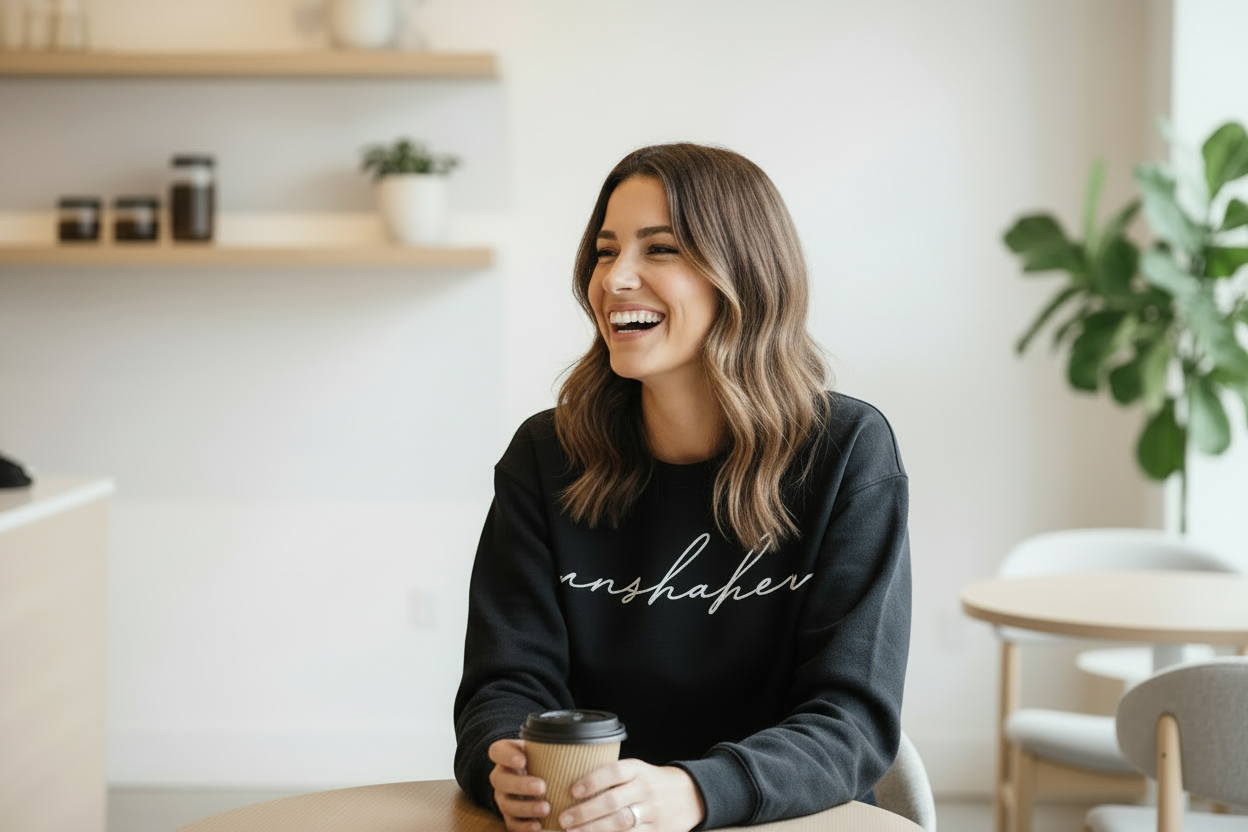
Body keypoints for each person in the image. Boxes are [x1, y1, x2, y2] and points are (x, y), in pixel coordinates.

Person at [453, 143, 911, 832]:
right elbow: (505, 680)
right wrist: (504, 762)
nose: (615, 279)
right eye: (606, 252)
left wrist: (693, 792)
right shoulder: (545, 456)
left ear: (743, 273)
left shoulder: (847, 452)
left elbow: (852, 721)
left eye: (660, 249)